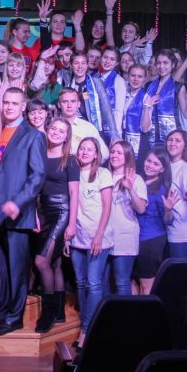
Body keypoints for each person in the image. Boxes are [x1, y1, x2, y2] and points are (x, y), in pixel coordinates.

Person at [0, 87, 45, 336]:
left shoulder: (33, 136)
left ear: (23, 107)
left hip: (15, 214)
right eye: (5, 102)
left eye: (14, 103)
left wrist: (18, 203)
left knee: (17, 269)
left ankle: (14, 317)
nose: (9, 107)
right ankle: (1, 312)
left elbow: (37, 176)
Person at [33, 116, 79, 333]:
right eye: (54, 129)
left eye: (62, 131)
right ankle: (60, 311)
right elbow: (34, 188)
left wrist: (72, 224)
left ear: (66, 136)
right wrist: (34, 213)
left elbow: (74, 194)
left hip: (62, 211)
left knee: (41, 261)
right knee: (55, 263)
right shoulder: (40, 155)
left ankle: (49, 312)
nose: (56, 133)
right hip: (43, 212)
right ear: (48, 129)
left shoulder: (70, 160)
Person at [68, 137, 113, 349]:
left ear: (96, 154)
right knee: (81, 283)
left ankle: (87, 330)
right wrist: (68, 237)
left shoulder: (103, 174)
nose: (85, 152)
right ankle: (87, 325)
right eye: (82, 148)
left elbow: (107, 206)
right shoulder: (73, 172)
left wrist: (99, 235)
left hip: (98, 237)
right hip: (77, 237)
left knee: (93, 283)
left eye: (90, 149)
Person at [107, 140, 147, 296]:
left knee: (122, 282)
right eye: (112, 152)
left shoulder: (136, 179)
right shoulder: (103, 176)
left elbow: (141, 208)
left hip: (124, 237)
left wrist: (130, 189)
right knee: (102, 282)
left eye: (119, 153)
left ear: (127, 156)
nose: (114, 155)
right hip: (103, 237)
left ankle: (126, 311)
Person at [132, 148, 171, 295]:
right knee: (132, 281)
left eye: (156, 164)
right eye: (149, 161)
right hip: (132, 238)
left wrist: (168, 210)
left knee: (146, 283)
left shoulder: (162, 189)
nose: (150, 165)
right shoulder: (137, 180)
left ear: (162, 169)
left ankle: (146, 309)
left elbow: (168, 221)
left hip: (150, 241)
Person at [66, 52, 118, 144]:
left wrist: (114, 134)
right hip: (77, 130)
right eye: (76, 63)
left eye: (83, 63)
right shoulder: (68, 86)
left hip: (95, 129)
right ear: (71, 65)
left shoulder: (96, 83)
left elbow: (106, 109)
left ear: (87, 65)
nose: (80, 67)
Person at [56, 88, 109, 161]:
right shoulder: (51, 127)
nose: (69, 105)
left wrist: (87, 163)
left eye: (73, 101)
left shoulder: (88, 128)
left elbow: (104, 153)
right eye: (65, 102)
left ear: (79, 104)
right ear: (59, 104)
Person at [141, 49, 179, 148]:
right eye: (158, 63)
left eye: (165, 63)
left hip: (171, 136)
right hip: (150, 134)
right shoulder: (149, 86)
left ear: (173, 65)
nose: (161, 66)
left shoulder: (178, 86)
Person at [95, 47, 126, 137]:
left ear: (117, 63)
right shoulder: (95, 78)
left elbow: (119, 110)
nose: (107, 61)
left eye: (112, 59)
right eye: (105, 57)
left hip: (111, 129)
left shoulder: (118, 81)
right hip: (97, 127)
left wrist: (115, 134)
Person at [122, 64, 148, 161]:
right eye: (133, 75)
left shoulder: (146, 97)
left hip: (139, 138)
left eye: (140, 76)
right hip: (122, 134)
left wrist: (146, 107)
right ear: (128, 76)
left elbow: (145, 129)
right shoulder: (123, 93)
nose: (136, 79)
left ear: (144, 79)